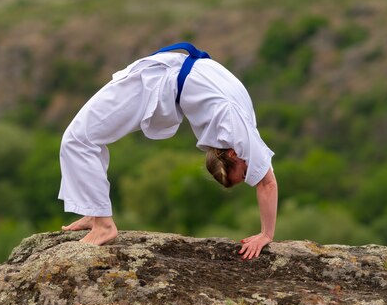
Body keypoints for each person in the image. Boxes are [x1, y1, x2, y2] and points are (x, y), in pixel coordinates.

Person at [58, 43, 278, 260]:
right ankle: (101, 222)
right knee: (78, 139)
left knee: (82, 139)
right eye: (244, 173)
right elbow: (267, 183)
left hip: (162, 77)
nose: (251, 170)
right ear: (232, 155)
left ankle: (98, 216)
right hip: (154, 83)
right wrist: (267, 234)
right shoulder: (237, 128)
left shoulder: (238, 129)